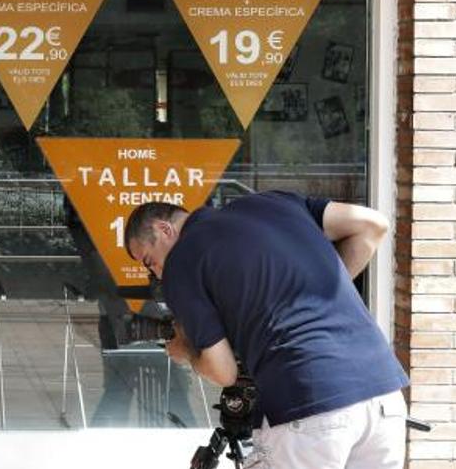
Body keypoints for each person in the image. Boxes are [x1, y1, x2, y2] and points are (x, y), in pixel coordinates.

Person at [125, 191, 409, 469]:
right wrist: (318, 293)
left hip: (308, 400)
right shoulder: (274, 202)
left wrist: (186, 348)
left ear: (164, 229)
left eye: (151, 262)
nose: (157, 274)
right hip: (383, 395)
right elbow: (372, 225)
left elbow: (223, 372)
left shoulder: (182, 261)